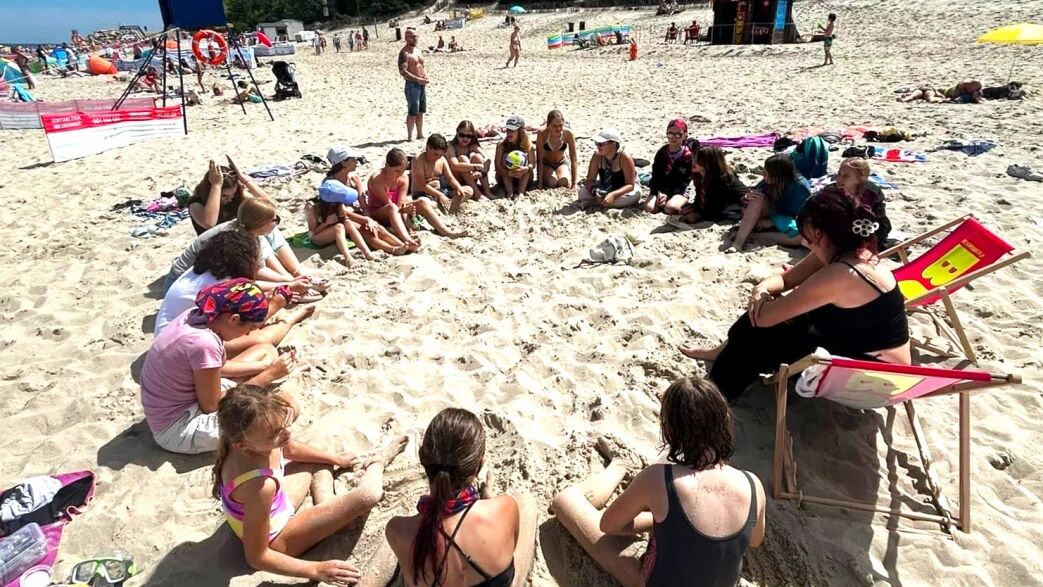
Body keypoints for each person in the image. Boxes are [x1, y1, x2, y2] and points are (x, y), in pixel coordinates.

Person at [681, 186, 911, 399]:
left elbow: (764, 318)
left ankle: (714, 395)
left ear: (818, 232)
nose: (803, 237)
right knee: (777, 314)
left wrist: (763, 302)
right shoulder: (849, 253)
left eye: (805, 228)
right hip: (861, 355)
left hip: (873, 378)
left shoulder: (842, 273)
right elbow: (784, 279)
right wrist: (762, 289)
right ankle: (722, 357)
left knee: (760, 331)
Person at [551, 377, 766, 587]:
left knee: (565, 501)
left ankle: (620, 465)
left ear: (670, 430)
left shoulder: (658, 479)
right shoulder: (752, 484)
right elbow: (755, 539)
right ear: (725, 423)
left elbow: (608, 525)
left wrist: (658, 520)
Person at [214, 384, 408, 584]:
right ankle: (377, 463)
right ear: (242, 444)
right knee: (368, 495)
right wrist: (316, 569)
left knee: (316, 455)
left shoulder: (248, 438)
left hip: (274, 505)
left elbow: (289, 449)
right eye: (275, 434)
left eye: (285, 423)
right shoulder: (260, 486)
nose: (287, 432)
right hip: (277, 538)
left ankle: (332, 514)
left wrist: (335, 459)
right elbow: (256, 557)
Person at [364, 408, 538, 587]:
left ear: (422, 457)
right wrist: (488, 502)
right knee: (525, 502)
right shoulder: (505, 507)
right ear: (479, 466)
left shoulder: (397, 529)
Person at [140, 279, 305, 454]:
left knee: (266, 351)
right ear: (234, 319)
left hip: (180, 403)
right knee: (287, 407)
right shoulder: (205, 343)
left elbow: (214, 368)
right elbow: (211, 406)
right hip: (178, 428)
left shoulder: (195, 317)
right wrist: (269, 374)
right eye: (250, 328)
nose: (248, 334)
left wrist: (261, 366)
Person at [155, 230, 299, 336]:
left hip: (168, 335)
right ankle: (295, 316)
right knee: (259, 337)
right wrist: (279, 297)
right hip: (186, 341)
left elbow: (250, 288)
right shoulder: (219, 283)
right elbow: (246, 321)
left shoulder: (203, 271)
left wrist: (286, 285)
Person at [166, 197, 318, 298]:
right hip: (183, 282)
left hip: (196, 279)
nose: (277, 223)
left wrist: (293, 280)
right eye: (274, 219)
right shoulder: (234, 242)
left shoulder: (250, 232)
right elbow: (245, 283)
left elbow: (259, 269)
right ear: (261, 223)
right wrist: (288, 285)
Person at [306, 145, 413, 265]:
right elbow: (342, 212)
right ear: (344, 163)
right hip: (341, 219)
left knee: (377, 229)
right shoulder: (330, 184)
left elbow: (363, 205)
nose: (357, 161)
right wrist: (365, 220)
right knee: (367, 233)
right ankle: (392, 249)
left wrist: (370, 220)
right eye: (353, 159)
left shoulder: (354, 179)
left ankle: (403, 245)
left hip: (353, 215)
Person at [366, 148, 468, 246]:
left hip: (396, 210)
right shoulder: (377, 180)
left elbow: (400, 203)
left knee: (421, 203)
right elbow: (389, 204)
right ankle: (407, 239)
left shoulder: (403, 178)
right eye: (396, 171)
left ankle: (445, 231)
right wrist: (405, 216)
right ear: (387, 166)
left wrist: (406, 210)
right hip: (379, 213)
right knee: (392, 208)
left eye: (402, 171)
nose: (399, 174)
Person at [727, 154, 810, 253]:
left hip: (786, 220)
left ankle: (754, 236)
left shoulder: (800, 188)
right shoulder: (768, 181)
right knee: (757, 198)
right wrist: (746, 198)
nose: (763, 175)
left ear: (778, 176)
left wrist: (772, 221)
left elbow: (799, 216)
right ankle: (738, 243)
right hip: (769, 213)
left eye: (767, 173)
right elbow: (753, 195)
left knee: (799, 239)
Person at [578, 128, 641, 210]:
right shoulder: (597, 156)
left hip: (622, 189)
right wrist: (595, 191)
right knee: (582, 194)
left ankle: (593, 203)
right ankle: (602, 202)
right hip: (604, 186)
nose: (598, 146)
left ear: (613, 144)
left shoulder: (624, 157)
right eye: (597, 143)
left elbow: (630, 185)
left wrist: (613, 194)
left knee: (632, 196)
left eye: (601, 144)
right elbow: (590, 180)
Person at [681, 146, 747, 223]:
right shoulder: (700, 175)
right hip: (714, 208)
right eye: (694, 158)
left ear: (709, 163)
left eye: (697, 160)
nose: (693, 162)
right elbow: (700, 197)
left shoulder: (721, 179)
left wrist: (698, 215)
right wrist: (694, 208)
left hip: (733, 207)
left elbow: (716, 207)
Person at [413, 134, 475, 214]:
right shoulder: (419, 159)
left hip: (442, 190)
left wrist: (458, 187)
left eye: (441, 155)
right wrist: (439, 195)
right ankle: (448, 206)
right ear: (428, 148)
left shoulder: (442, 159)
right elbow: (422, 185)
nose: (438, 157)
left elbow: (450, 178)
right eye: (436, 154)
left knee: (468, 190)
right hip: (423, 193)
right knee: (425, 203)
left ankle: (447, 206)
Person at [834, 158, 890, 247]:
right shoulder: (831, 191)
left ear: (860, 179)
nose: (839, 179)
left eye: (846, 176)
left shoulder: (871, 194)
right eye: (839, 174)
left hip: (865, 229)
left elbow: (880, 222)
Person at [643, 119, 694, 216]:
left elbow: (684, 182)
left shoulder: (688, 156)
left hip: (679, 190)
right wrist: (656, 192)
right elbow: (655, 176)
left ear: (684, 135)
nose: (674, 138)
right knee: (649, 208)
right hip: (661, 189)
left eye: (678, 134)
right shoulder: (662, 152)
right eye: (670, 134)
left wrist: (668, 195)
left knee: (670, 208)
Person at [448, 120, 493, 199]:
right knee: (463, 158)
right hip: (455, 180)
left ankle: (487, 192)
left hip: (470, 178)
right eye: (462, 135)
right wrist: (476, 167)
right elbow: (454, 166)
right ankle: (478, 194)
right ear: (457, 133)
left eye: (469, 136)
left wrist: (482, 172)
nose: (465, 138)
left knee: (477, 157)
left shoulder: (472, 146)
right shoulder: (450, 146)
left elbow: (487, 159)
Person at [494, 116, 536, 199]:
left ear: (520, 131)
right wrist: (508, 173)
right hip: (504, 177)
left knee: (525, 160)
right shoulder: (501, 145)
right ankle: (509, 192)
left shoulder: (528, 144)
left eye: (512, 131)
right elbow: (497, 166)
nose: (509, 133)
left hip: (523, 176)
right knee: (506, 156)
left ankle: (521, 192)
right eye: (508, 130)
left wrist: (527, 169)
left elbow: (533, 164)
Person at [534, 110, 579, 189]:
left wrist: (574, 184)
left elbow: (574, 159)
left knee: (564, 182)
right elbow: (539, 159)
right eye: (554, 126)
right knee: (552, 183)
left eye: (560, 125)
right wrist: (539, 183)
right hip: (547, 163)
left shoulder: (568, 134)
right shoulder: (542, 134)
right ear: (548, 124)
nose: (558, 129)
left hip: (561, 162)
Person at [399, 28, 429, 141]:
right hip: (412, 85)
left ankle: (420, 134)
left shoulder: (417, 51)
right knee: (413, 111)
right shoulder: (404, 53)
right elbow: (403, 71)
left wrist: (425, 76)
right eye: (412, 36)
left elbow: (421, 66)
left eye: (416, 36)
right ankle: (410, 136)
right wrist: (418, 79)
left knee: (421, 110)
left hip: (421, 84)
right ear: (407, 38)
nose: (415, 38)